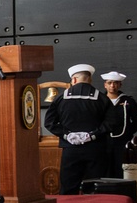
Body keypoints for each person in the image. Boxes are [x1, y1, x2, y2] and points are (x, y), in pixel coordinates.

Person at [44, 64, 117, 193]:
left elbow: (49, 122)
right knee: (95, 188)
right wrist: (93, 135)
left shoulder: (60, 98)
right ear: (90, 79)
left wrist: (67, 135)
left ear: (74, 80)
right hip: (96, 149)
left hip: (70, 150)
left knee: (68, 187)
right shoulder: (102, 98)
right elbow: (111, 122)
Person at [100, 71, 137, 178]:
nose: (112, 86)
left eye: (115, 83)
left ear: (120, 85)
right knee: (105, 169)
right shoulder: (99, 101)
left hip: (123, 141)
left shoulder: (128, 101)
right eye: (109, 83)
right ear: (105, 85)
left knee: (122, 168)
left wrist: (128, 132)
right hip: (104, 141)